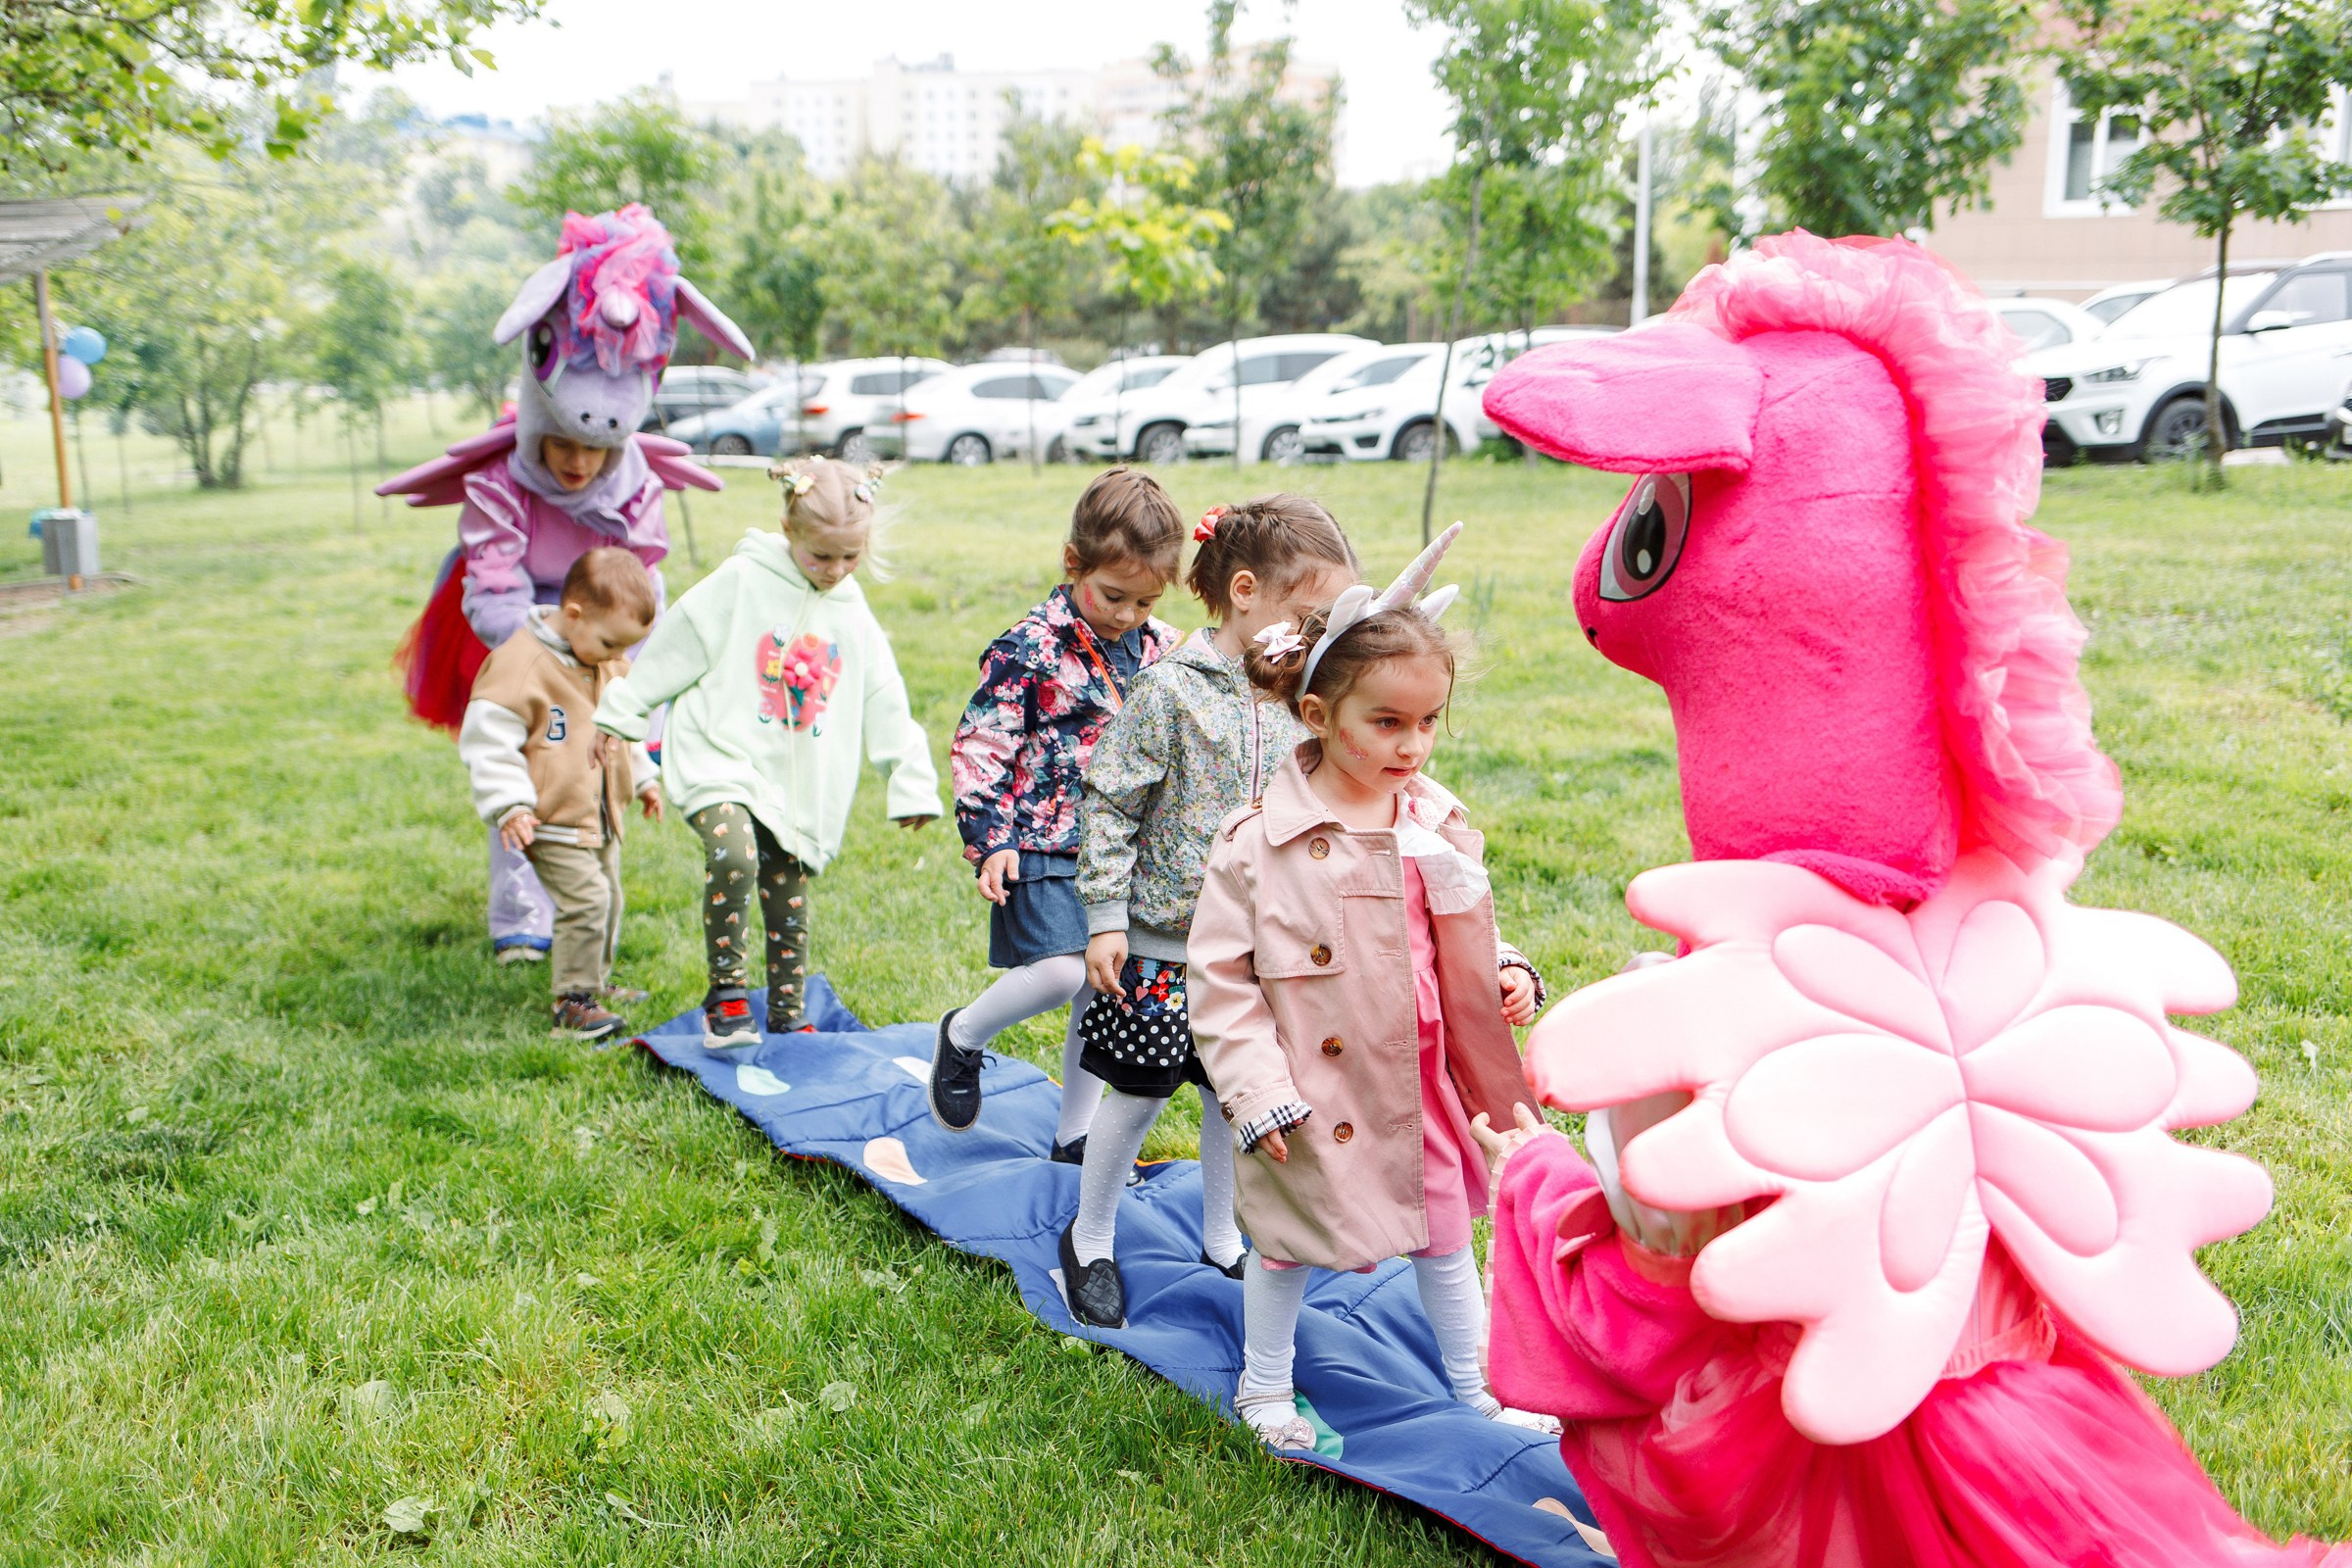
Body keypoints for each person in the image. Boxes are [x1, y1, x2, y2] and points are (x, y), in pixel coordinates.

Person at [1187, 525, 1546, 1448]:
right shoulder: (1257, 842)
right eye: (1386, 723)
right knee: (1287, 1239)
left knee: (1440, 1232)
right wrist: (1257, 1094)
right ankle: (1265, 1385)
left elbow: (1468, 927)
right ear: (1318, 716)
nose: (1412, 745)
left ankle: (1475, 1380)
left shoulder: (1433, 818)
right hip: (1313, 1086)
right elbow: (1221, 985)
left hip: (1421, 1077)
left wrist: (1507, 972)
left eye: (1428, 722)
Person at [382, 204, 751, 965]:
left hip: (604, 633)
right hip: (515, 629)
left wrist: (626, 668)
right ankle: (519, 911)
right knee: (523, 760)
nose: (577, 465)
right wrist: (544, 653)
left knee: (588, 759)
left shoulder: (635, 478)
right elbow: (492, 577)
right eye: (561, 445)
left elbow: (642, 568)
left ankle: (583, 889)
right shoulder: (501, 482)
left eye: (594, 449)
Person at [1054, 496, 1361, 1328]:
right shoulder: (1170, 691)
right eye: (1310, 615)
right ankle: (1091, 1235)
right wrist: (1106, 917)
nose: (1318, 634)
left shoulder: (1300, 696)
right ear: (1249, 591)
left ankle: (1222, 1233)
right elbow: (1111, 803)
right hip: (1163, 943)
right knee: (1140, 1088)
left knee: (1241, 1092)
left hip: (1261, 949)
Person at [593, 458, 940, 1047]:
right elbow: (677, 642)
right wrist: (621, 714)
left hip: (796, 778)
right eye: (820, 556)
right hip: (717, 753)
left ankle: (786, 1011)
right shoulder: (741, 580)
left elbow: (885, 694)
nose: (835, 571)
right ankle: (726, 996)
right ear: (788, 529)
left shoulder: (851, 609)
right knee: (734, 856)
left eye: (849, 557)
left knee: (789, 882)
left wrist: (909, 780)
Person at [929, 468, 1184, 1152]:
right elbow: (982, 743)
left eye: (1145, 600)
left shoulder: (1164, 650)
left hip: (1119, 850)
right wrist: (989, 839)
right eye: (1114, 595)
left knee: (1099, 988)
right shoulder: (1028, 649)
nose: (1128, 615)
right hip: (1038, 837)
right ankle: (963, 1035)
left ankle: (1075, 1133)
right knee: (1063, 969)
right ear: (1074, 565)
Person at [458, 547, 664, 1042]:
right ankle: (573, 1003)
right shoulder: (520, 665)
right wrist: (510, 804)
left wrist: (642, 779)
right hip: (548, 816)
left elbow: (623, 730)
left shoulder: (607, 662)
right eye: (612, 642)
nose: (619, 656)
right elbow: (489, 740)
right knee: (587, 899)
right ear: (573, 616)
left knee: (609, 898)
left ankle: (595, 983)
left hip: (599, 814)